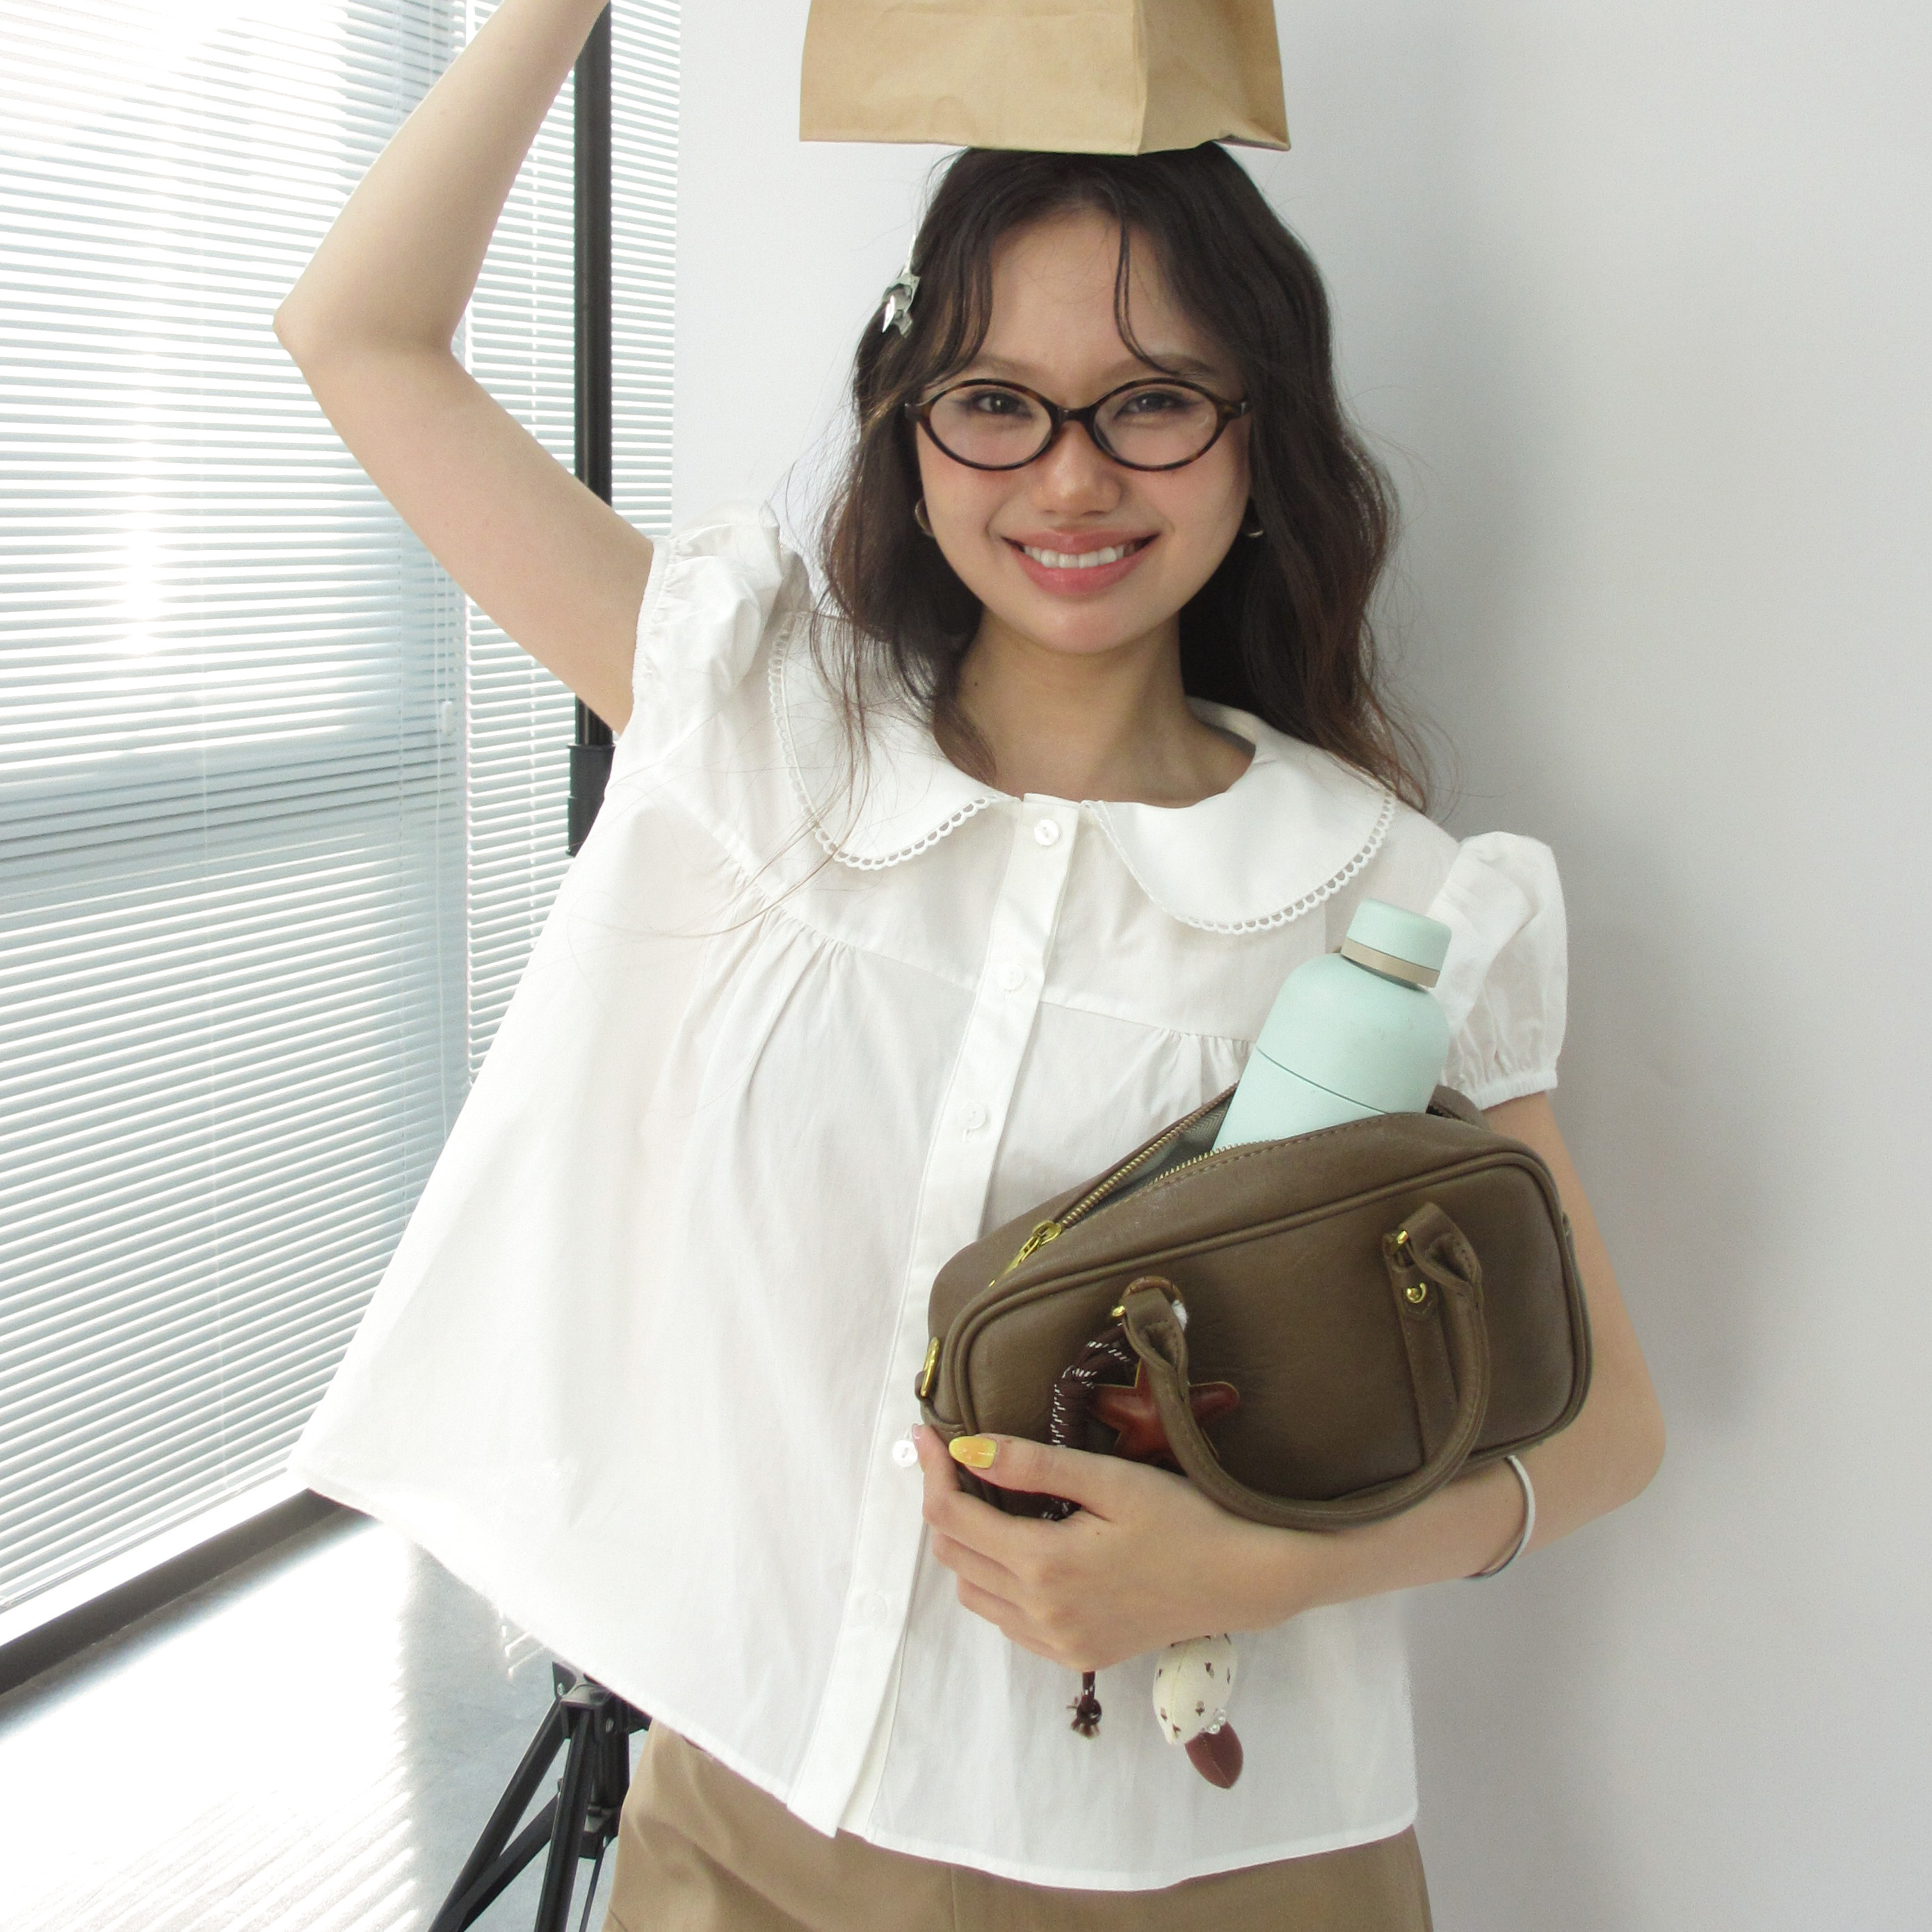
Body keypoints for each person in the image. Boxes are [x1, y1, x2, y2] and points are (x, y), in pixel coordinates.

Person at [276, 3, 1666, 1926]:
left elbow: (1603, 1427)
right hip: (740, 1828)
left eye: (1153, 402)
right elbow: (359, 336)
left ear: (1259, 438)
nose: (1070, 479)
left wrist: (1252, 1573)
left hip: (1207, 1865)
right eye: (996, 401)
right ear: (908, 427)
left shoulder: (1387, 898)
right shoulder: (761, 742)